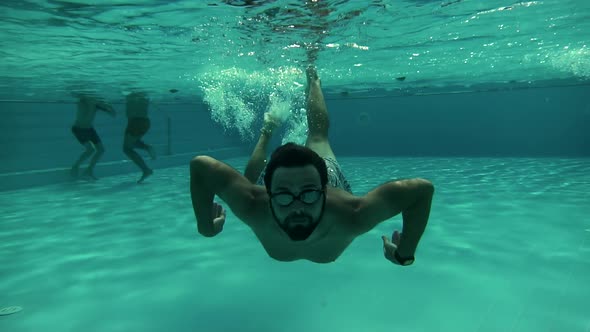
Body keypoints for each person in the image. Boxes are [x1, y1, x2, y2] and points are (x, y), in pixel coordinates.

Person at [190, 65, 434, 266]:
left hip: (315, 178)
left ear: (324, 191)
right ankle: (267, 131)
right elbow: (200, 166)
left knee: (318, 136)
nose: (298, 209)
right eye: (284, 196)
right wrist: (205, 229)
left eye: (308, 195)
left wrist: (406, 255)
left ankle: (312, 74)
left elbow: (421, 191)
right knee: (250, 181)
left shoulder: (352, 215)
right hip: (281, 188)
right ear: (269, 194)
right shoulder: (254, 204)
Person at [70, 94, 116, 180]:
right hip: (79, 129)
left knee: (101, 150)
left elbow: (112, 113)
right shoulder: (83, 100)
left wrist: (109, 107)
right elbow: (77, 96)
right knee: (90, 150)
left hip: (90, 129)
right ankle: (75, 166)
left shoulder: (96, 103)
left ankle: (89, 170)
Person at [123, 91, 156, 183]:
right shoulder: (144, 92)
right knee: (131, 143)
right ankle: (147, 148)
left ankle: (146, 169)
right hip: (145, 121)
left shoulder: (130, 91)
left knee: (126, 148)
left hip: (135, 122)